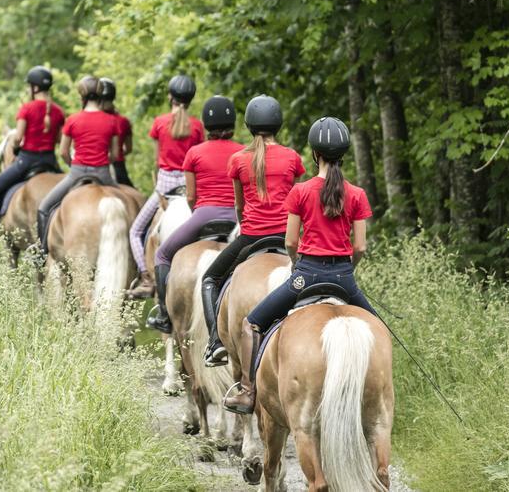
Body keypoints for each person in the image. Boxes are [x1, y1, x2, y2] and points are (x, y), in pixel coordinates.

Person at [222, 117, 373, 415]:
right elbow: (361, 247)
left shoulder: (300, 192)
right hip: (344, 278)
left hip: (306, 277)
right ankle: (375, 394)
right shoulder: (356, 194)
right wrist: (348, 268)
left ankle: (248, 392)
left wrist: (296, 265)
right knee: (378, 329)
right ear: (343, 154)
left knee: (250, 324)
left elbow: (291, 242)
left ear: (315, 153)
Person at [200, 94, 305, 366]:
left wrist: (248, 224)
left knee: (210, 280)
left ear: (247, 125)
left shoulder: (238, 160)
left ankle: (215, 343)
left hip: (250, 239)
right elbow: (299, 202)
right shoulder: (292, 157)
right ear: (278, 124)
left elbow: (239, 206)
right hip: (286, 237)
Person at [146, 95, 244, 333]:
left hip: (204, 215)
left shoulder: (195, 153)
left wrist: (197, 214)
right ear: (232, 124)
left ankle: (163, 314)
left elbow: (190, 196)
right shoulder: (243, 151)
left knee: (162, 254)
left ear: (206, 126)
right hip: (236, 217)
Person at [125, 75, 205, 298]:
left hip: (165, 187)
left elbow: (156, 159)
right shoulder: (197, 126)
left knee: (136, 231)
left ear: (170, 96)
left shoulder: (159, 123)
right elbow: (198, 160)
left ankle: (146, 277)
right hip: (189, 187)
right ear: (190, 99)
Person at [0, 66, 64, 242]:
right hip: (50, 161)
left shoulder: (26, 109)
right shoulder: (58, 112)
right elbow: (59, 141)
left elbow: (17, 138)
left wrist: (17, 146)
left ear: (35, 88)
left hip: (27, 160)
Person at [36, 76, 120, 254]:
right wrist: (104, 161)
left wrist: (72, 164)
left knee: (44, 207)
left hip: (77, 172)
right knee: (132, 204)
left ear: (81, 96)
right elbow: (115, 154)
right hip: (104, 174)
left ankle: (42, 253)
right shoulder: (111, 121)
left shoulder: (73, 120)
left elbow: (63, 152)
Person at [99, 77, 134, 187]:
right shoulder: (124, 121)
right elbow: (128, 149)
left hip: (96, 166)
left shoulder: (91, 118)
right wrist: (118, 152)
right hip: (118, 168)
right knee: (138, 199)